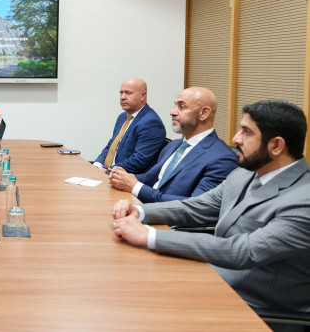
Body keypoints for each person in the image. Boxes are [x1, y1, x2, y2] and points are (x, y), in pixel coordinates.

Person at [112, 100, 310, 315]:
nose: (235, 139)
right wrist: (140, 212)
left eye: (246, 132)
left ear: (276, 146)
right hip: (213, 278)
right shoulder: (244, 174)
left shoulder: (303, 200)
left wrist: (149, 236)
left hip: (257, 308)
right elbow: (197, 207)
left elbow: (242, 251)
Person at [109, 87, 238, 203]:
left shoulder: (222, 159)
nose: (172, 112)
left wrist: (135, 187)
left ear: (203, 113)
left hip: (166, 220)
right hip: (142, 208)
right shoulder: (174, 145)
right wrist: (123, 177)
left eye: (182, 106)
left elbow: (195, 206)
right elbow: (151, 178)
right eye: (175, 105)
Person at [93, 77, 166, 174]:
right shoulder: (123, 117)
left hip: (123, 177)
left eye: (128, 93)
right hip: (106, 172)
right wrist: (97, 165)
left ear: (143, 96)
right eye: (121, 93)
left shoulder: (151, 122)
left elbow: (138, 160)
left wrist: (107, 171)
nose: (122, 97)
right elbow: (111, 146)